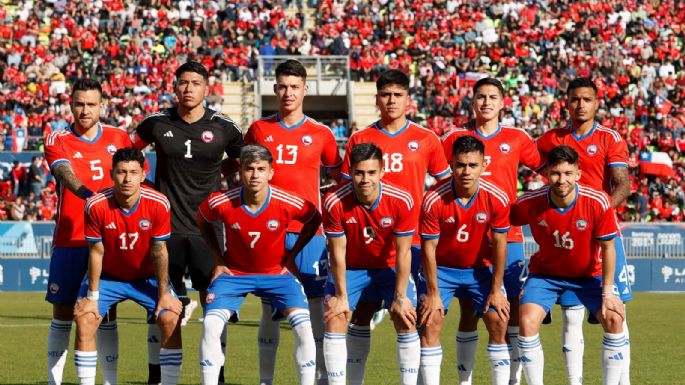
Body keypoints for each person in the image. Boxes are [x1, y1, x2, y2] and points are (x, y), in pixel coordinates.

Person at [133, 61, 243, 384]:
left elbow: (246, 162)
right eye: (183, 82)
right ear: (175, 87)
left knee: (215, 310)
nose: (189, 88)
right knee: (161, 308)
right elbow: (128, 154)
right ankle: (157, 377)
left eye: (195, 82)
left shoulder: (224, 127)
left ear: (206, 88)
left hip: (207, 233)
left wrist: (218, 176)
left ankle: (217, 376)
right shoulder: (156, 122)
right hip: (165, 230)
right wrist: (148, 187)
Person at [340, 69, 450, 383]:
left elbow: (444, 189)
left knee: (412, 316)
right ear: (377, 99)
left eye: (397, 95)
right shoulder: (361, 138)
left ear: (408, 100)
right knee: (359, 313)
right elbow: (347, 192)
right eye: (385, 94)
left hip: (412, 242)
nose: (391, 100)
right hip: (365, 245)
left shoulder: (427, 139)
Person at [244, 59, 342, 385]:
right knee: (270, 311)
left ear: (305, 90)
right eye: (283, 86)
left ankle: (319, 379)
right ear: (274, 89)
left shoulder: (321, 133)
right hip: (269, 233)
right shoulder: (259, 130)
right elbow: (245, 176)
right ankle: (265, 380)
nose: (288, 93)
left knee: (316, 308)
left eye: (294, 87)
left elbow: (339, 176)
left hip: (310, 234)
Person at [441, 77, 543, 384]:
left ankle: (513, 378)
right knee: (469, 310)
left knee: (509, 309)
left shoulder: (517, 138)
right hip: (465, 236)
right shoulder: (454, 137)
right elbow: (438, 177)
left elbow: (547, 168)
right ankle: (465, 380)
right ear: (472, 101)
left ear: (503, 102)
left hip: (507, 235)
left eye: (492, 97)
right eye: (481, 96)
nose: (486, 102)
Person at [196, 145, 321, 385]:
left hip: (277, 275)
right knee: (211, 324)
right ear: (239, 172)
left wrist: (292, 255)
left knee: (305, 328)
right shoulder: (222, 201)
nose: (255, 175)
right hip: (233, 274)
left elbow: (314, 217)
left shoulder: (286, 201)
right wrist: (219, 259)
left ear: (271, 173)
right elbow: (202, 219)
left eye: (261, 169)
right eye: (249, 169)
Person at [537, 78, 632, 385]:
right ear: (567, 102)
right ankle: (575, 381)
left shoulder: (609, 138)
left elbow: (623, 185)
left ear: (596, 103)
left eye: (587, 99)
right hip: (566, 235)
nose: (581, 104)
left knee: (616, 310)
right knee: (571, 312)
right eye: (575, 99)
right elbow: (544, 180)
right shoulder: (550, 139)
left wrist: (599, 214)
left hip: (603, 234)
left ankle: (623, 380)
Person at [511, 145, 627, 385]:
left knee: (615, 318)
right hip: (545, 275)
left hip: (588, 274)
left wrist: (607, 291)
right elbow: (501, 221)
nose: (561, 180)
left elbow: (608, 247)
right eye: (555, 173)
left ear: (578, 174)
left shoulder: (598, 201)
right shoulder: (530, 202)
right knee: (526, 321)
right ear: (547, 174)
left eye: (567, 173)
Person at [44, 78, 132, 385]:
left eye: (91, 104)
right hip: (71, 238)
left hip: (108, 241)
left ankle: (108, 381)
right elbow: (63, 172)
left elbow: (132, 179)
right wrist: (89, 194)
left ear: (102, 106)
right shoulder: (58, 138)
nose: (85, 110)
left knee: (106, 315)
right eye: (79, 104)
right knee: (62, 313)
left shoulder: (119, 137)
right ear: (70, 105)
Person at [74, 147, 183, 385]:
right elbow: (96, 251)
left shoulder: (158, 203)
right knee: (85, 318)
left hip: (147, 277)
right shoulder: (96, 205)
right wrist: (92, 296)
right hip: (109, 277)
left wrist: (164, 294)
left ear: (143, 175)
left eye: (133, 172)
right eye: (122, 172)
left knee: (170, 318)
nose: (127, 178)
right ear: (112, 173)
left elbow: (159, 250)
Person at [322, 143, 419, 385]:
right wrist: (342, 296)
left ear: (382, 171)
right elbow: (337, 254)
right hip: (352, 268)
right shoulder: (334, 200)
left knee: (405, 317)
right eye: (359, 172)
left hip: (389, 268)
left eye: (371, 172)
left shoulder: (401, 199)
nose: (365, 179)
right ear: (351, 172)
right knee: (336, 315)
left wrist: (399, 296)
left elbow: (403, 252)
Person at [418, 136, 511, 385]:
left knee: (499, 319)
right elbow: (429, 248)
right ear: (451, 164)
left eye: (472, 165)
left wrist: (496, 289)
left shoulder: (497, 197)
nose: (466, 171)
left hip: (479, 270)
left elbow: (501, 245)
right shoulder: (433, 198)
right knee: (430, 320)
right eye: (460, 165)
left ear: (483, 165)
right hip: (442, 271)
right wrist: (433, 292)